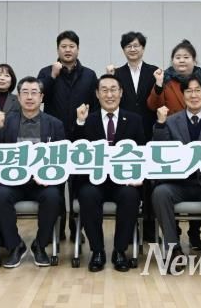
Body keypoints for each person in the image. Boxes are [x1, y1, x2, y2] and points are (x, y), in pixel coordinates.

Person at [151, 74, 201, 273]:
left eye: (198, 91)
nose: (194, 95)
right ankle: (173, 250)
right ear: (183, 94)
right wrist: (160, 124)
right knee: (160, 193)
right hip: (178, 184)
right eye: (189, 91)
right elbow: (160, 152)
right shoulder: (171, 121)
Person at [147, 39, 201, 250]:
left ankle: (196, 234)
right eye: (178, 57)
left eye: (186, 57)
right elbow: (152, 105)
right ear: (172, 60)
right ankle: (174, 237)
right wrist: (158, 85)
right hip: (174, 140)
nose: (182, 61)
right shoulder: (165, 81)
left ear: (194, 60)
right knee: (169, 189)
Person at [72, 74, 145, 272]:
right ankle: (97, 251)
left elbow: (142, 153)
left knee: (130, 195)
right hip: (94, 181)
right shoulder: (87, 119)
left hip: (123, 181)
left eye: (113, 90)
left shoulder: (134, 120)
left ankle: (120, 251)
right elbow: (75, 150)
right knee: (87, 194)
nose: (109, 94)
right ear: (97, 94)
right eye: (104, 90)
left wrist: (138, 177)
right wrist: (79, 123)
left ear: (121, 93)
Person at [0, 76, 65, 268]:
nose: (30, 97)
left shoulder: (55, 124)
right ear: (18, 97)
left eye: (34, 93)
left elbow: (62, 159)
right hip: (14, 182)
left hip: (42, 183)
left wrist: (49, 177)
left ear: (42, 97)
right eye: (25, 92)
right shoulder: (6, 122)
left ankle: (40, 245)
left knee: (53, 196)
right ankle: (15, 245)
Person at [37, 30, 98, 238]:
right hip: (53, 136)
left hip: (81, 135)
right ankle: (57, 228)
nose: (68, 50)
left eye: (72, 46)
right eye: (64, 46)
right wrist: (52, 77)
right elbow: (38, 97)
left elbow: (95, 107)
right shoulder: (46, 72)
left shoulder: (89, 75)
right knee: (55, 183)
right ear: (57, 49)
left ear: (78, 49)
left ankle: (76, 228)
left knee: (77, 185)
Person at [106, 31, 159, 241]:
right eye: (128, 46)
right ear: (123, 50)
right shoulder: (116, 73)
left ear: (143, 48)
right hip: (125, 134)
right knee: (129, 179)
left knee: (149, 180)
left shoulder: (154, 72)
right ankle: (130, 229)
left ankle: (149, 227)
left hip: (150, 130)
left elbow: (158, 100)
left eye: (136, 45)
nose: (133, 49)